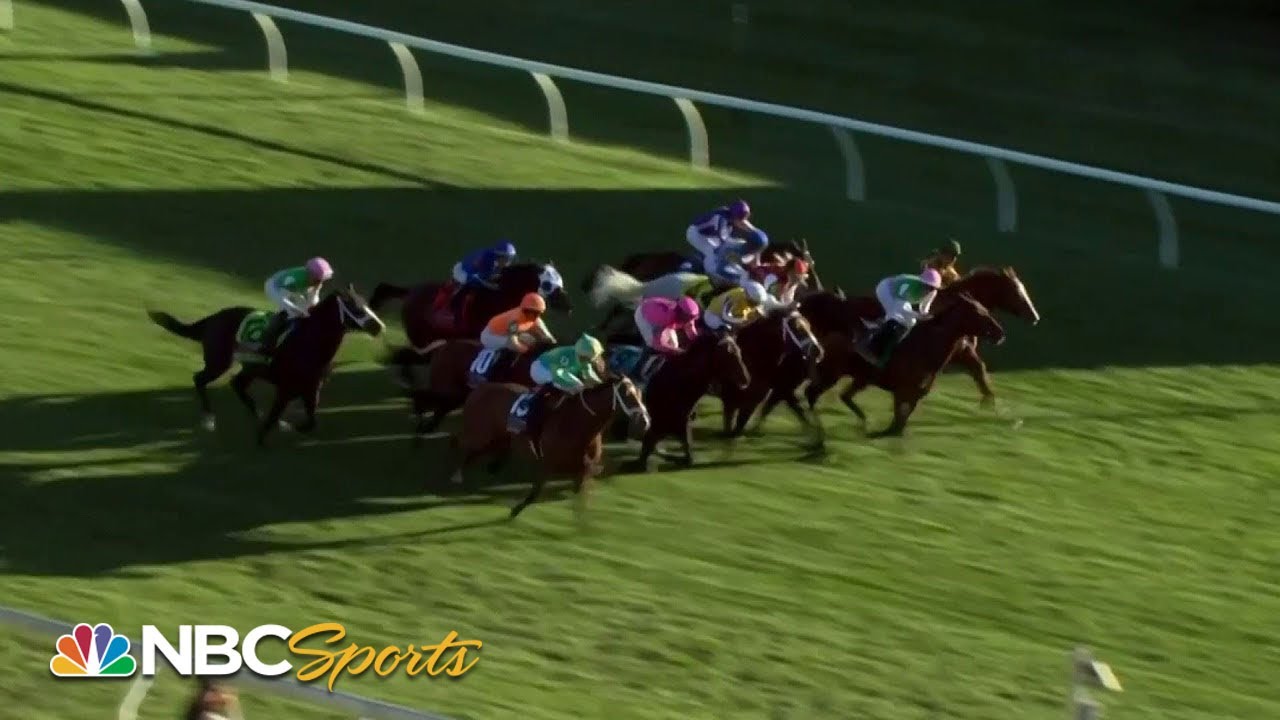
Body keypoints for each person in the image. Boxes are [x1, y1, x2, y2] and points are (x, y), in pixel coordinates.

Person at [519, 334, 607, 445]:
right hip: (541, 370)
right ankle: (532, 420)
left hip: (559, 372)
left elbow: (589, 375)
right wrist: (579, 385)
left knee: (578, 386)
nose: (588, 361)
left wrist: (603, 385)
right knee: (573, 386)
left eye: (590, 359)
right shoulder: (566, 355)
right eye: (587, 358)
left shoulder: (584, 357)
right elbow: (559, 375)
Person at [857, 267, 943, 367]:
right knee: (895, 315)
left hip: (902, 299)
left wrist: (925, 315)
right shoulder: (909, 284)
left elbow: (924, 307)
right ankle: (870, 347)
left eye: (932, 288)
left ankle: (894, 349)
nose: (929, 290)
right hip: (886, 290)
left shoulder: (932, 292)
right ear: (921, 282)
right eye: (927, 286)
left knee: (911, 322)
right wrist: (918, 315)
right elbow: (900, 307)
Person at [259, 257, 333, 354]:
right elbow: (284, 300)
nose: (319, 282)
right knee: (290, 312)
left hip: (294, 289)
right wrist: (297, 310)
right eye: (317, 279)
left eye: (322, 279)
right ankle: (266, 344)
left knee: (304, 310)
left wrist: (313, 308)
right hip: (275, 288)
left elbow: (313, 298)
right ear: (310, 274)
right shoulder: (294, 279)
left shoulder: (316, 282)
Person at [685, 201, 769, 286]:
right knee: (713, 252)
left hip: (710, 233)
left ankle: (714, 266)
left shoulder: (732, 215)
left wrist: (756, 234)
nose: (743, 221)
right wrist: (737, 255)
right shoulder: (720, 219)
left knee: (722, 249)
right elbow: (723, 242)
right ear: (734, 216)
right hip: (696, 234)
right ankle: (712, 274)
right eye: (740, 218)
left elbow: (753, 231)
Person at [449, 240, 517, 316]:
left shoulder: (496, 261)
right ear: (499, 256)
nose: (509, 262)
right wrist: (492, 286)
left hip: (478, 273)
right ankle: (453, 305)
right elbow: (476, 279)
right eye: (507, 259)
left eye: (510, 259)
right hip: (463, 272)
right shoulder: (487, 259)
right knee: (469, 284)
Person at [480, 292, 556, 354]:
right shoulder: (514, 321)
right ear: (527, 310)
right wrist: (525, 350)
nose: (537, 316)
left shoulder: (532, 317)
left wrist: (549, 339)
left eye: (539, 313)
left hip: (505, 334)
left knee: (530, 340)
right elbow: (512, 341)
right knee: (521, 344)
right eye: (535, 313)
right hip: (490, 337)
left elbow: (543, 330)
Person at [701, 279, 782, 333]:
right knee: (726, 330)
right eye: (755, 303)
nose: (755, 305)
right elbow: (727, 317)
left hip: (730, 317)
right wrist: (745, 322)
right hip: (713, 316)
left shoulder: (748, 298)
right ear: (749, 297)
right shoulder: (736, 297)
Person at [635, 296, 701, 355]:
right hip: (643, 316)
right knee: (654, 344)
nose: (690, 321)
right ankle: (648, 355)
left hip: (655, 307)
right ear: (681, 314)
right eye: (688, 318)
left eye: (691, 318)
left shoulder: (687, 314)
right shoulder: (665, 318)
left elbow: (691, 330)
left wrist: (697, 342)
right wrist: (679, 351)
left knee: (674, 344)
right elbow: (657, 343)